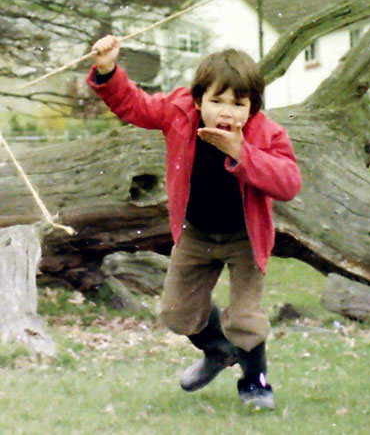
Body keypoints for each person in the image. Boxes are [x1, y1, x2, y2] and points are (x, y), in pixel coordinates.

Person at [87, 35, 302, 410]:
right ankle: (218, 351)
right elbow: (134, 105)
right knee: (176, 313)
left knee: (246, 318)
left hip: (245, 240)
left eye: (238, 104)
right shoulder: (178, 112)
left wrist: (241, 152)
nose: (226, 112)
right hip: (195, 234)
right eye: (216, 100)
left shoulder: (265, 134)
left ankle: (256, 383)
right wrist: (108, 71)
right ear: (197, 98)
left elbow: (288, 183)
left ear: (252, 108)